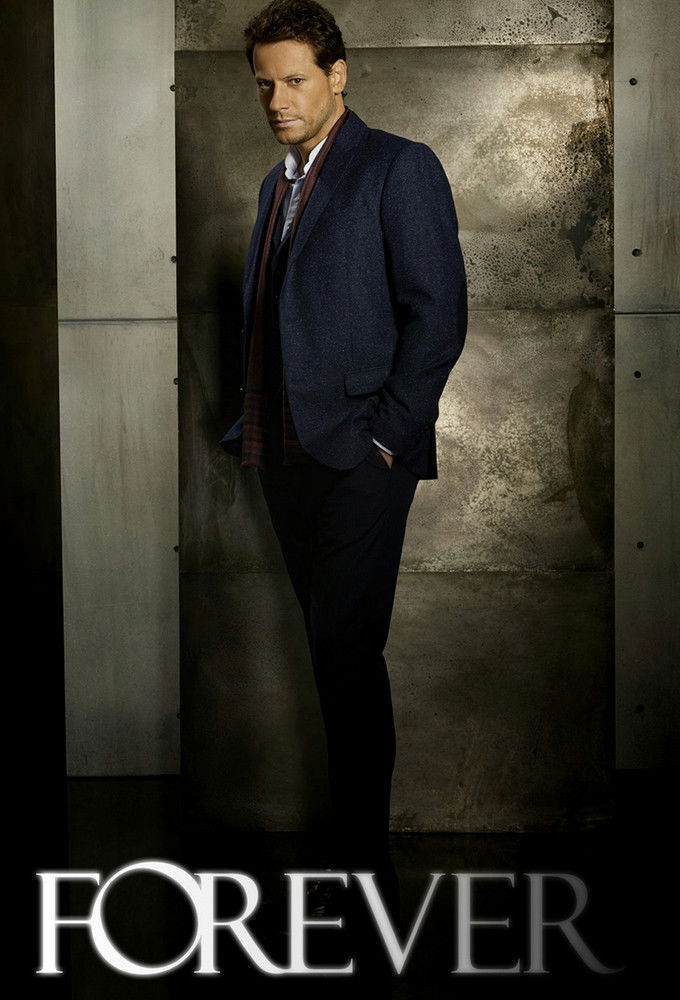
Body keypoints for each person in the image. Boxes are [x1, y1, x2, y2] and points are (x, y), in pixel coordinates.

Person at [220, 0, 467, 906]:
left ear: (338, 75)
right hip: (281, 452)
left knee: (349, 654)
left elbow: (438, 313)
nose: (277, 100)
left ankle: (363, 864)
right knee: (330, 652)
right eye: (264, 84)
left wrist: (386, 441)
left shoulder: (398, 166)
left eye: (293, 80)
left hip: (361, 453)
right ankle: (351, 856)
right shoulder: (274, 185)